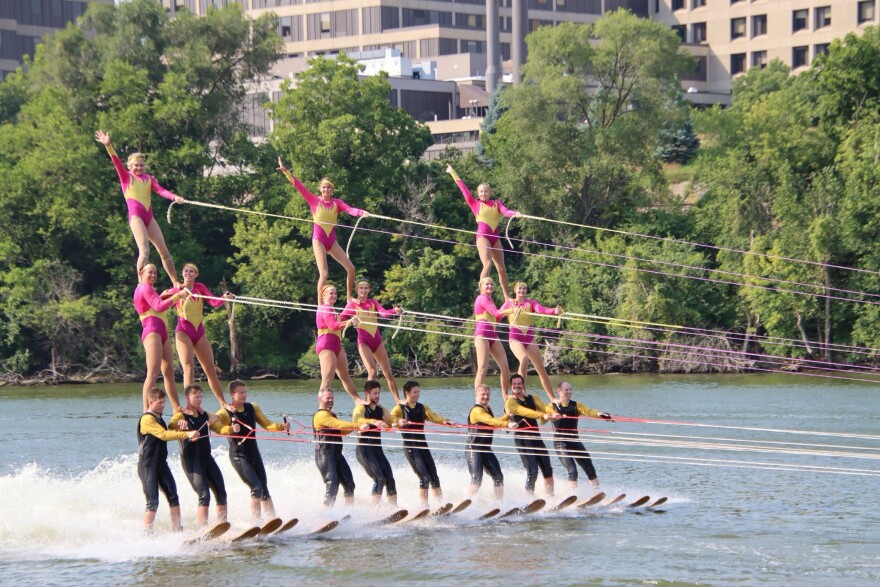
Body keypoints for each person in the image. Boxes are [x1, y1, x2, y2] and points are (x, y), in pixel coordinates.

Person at [95, 130, 183, 286]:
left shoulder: (149, 179)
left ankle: (175, 281)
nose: (139, 168)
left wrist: (175, 197)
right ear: (130, 165)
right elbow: (116, 161)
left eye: (142, 165)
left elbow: (161, 190)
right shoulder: (126, 177)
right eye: (136, 165)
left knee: (164, 251)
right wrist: (108, 145)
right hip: (136, 217)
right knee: (145, 251)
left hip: (149, 217)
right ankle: (141, 284)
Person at [277, 157, 370, 301]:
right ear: (320, 189)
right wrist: (286, 172)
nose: (326, 189)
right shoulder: (314, 200)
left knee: (351, 268)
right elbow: (299, 186)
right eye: (324, 187)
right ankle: (321, 305)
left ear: (332, 190)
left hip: (331, 241)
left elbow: (349, 209)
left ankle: (349, 297)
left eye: (329, 187)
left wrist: (361, 212)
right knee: (324, 274)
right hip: (319, 240)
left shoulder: (337, 203)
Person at [215, 380, 289, 521]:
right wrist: (228, 429)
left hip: (254, 453)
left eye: (245, 392)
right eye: (240, 392)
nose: (244, 395)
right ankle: (255, 523)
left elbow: (267, 425)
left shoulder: (252, 407)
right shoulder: (225, 412)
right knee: (256, 487)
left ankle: (272, 521)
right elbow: (213, 422)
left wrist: (282, 427)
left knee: (264, 489)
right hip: (238, 456)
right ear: (232, 394)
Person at [446, 164, 521, 301]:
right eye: (481, 192)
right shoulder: (474, 203)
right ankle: (483, 295)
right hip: (483, 237)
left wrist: (514, 214)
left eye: (486, 191)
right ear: (478, 193)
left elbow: (505, 212)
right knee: (487, 264)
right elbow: (463, 189)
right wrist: (453, 172)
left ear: (489, 192)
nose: (483, 194)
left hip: (495, 238)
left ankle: (506, 297)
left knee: (502, 268)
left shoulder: (496, 203)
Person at [168, 263, 233, 409]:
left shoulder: (200, 287)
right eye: (186, 271)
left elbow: (214, 302)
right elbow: (161, 302)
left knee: (210, 368)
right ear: (182, 273)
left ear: (196, 274)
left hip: (199, 332)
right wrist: (170, 293)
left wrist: (225, 297)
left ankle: (223, 403)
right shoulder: (177, 290)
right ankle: (189, 405)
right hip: (183, 332)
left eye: (191, 271)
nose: (188, 274)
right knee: (189, 367)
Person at [137, 386, 199, 533]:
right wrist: (187, 434)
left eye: (164, 402)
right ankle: (147, 535)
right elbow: (164, 435)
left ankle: (178, 531)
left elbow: (170, 428)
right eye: (159, 403)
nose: (163, 405)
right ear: (151, 402)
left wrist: (181, 425)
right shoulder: (147, 419)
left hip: (161, 465)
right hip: (147, 467)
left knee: (173, 497)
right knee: (153, 502)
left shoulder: (159, 418)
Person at [169, 384, 228, 528]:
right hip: (191, 461)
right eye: (196, 396)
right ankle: (203, 530)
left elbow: (220, 429)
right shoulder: (180, 415)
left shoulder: (204, 414)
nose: (199, 399)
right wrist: (179, 424)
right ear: (188, 397)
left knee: (221, 493)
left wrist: (231, 428)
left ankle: (222, 526)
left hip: (207, 459)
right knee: (204, 495)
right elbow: (170, 426)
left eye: (201, 396)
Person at [314, 388, 384, 507]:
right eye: (328, 398)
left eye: (332, 398)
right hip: (325, 456)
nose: (330, 400)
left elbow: (340, 432)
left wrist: (355, 429)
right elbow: (338, 424)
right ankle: (325, 515)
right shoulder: (321, 415)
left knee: (349, 484)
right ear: (320, 399)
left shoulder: (331, 415)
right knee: (332, 485)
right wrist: (358, 425)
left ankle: (348, 513)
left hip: (337, 456)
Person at [134, 263, 189, 413]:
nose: (153, 275)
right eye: (150, 272)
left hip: (162, 332)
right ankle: (146, 411)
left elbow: (158, 302)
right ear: (141, 273)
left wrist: (171, 292)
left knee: (169, 370)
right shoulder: (144, 288)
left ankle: (177, 407)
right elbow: (158, 307)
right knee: (152, 373)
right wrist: (178, 295)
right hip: (152, 331)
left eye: (155, 273)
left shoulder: (151, 290)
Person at [389, 380, 453, 506]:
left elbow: (433, 416)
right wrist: (398, 421)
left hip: (423, 446)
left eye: (418, 392)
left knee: (434, 476)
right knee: (424, 477)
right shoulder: (399, 409)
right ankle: (424, 507)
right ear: (407, 393)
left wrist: (445, 421)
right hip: (411, 448)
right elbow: (390, 419)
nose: (417, 394)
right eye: (414, 392)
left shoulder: (422, 407)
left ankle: (441, 505)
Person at [340, 278, 403, 403]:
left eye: (366, 288)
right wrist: (349, 321)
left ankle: (398, 400)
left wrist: (395, 311)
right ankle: (368, 401)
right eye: (361, 288)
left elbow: (384, 313)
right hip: (363, 341)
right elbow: (340, 318)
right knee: (372, 371)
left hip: (377, 340)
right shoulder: (352, 305)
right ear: (357, 290)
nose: (363, 290)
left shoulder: (373, 302)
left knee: (388, 372)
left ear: (369, 289)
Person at [499, 282, 562, 402]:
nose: (522, 291)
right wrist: (508, 310)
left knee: (541, 369)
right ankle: (520, 392)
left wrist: (554, 311)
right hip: (515, 337)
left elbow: (541, 309)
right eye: (520, 288)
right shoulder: (509, 303)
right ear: (515, 290)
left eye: (524, 289)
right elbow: (497, 315)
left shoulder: (530, 303)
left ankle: (552, 398)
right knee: (524, 359)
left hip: (529, 337)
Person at [546, 381, 611, 490]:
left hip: (575, 441)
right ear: (559, 391)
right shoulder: (551, 406)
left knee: (589, 467)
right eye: (566, 390)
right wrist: (553, 415)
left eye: (570, 389)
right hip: (561, 444)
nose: (569, 392)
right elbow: (546, 412)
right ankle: (572, 497)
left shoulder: (576, 405)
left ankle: (597, 494)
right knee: (573, 471)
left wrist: (600, 414)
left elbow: (588, 411)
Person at [505, 373, 559, 497]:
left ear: (523, 385)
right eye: (514, 384)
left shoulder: (533, 398)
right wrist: (541, 415)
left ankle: (550, 497)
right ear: (511, 387)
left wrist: (553, 413)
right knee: (532, 471)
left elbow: (545, 407)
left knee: (547, 469)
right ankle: (529, 499)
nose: (517, 386)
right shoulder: (510, 402)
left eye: (519, 384)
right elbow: (525, 412)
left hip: (536, 437)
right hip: (523, 439)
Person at [315, 283, 364, 404]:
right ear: (323, 295)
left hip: (336, 346)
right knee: (327, 380)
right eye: (331, 293)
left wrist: (350, 306)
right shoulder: (325, 308)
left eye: (335, 293)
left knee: (345, 375)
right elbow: (332, 325)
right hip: (326, 346)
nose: (334, 295)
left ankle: (357, 400)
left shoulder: (332, 310)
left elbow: (339, 320)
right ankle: (322, 408)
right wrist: (350, 322)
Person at [466, 384, 517, 500]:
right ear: (476, 395)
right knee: (477, 479)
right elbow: (490, 421)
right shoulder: (477, 411)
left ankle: (498, 504)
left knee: (498, 476)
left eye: (487, 394)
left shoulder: (487, 409)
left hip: (486, 450)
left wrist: (506, 417)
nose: (485, 397)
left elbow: (493, 421)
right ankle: (466, 502)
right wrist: (507, 424)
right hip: (474, 449)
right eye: (482, 394)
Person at [352, 380, 398, 506]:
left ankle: (394, 510)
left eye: (378, 393)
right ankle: (375, 511)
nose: (377, 396)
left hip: (377, 451)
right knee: (380, 478)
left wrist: (399, 422)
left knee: (390, 479)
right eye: (374, 393)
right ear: (367, 394)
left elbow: (390, 419)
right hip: (364, 451)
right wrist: (374, 421)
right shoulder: (360, 408)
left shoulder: (380, 409)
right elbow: (357, 419)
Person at [473, 277, 514, 401]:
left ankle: (505, 395)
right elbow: (496, 313)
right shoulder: (482, 298)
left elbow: (496, 318)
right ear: (481, 286)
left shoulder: (490, 300)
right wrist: (511, 309)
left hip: (493, 335)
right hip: (482, 335)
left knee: (505, 367)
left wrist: (508, 304)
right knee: (483, 368)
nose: (490, 286)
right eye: (487, 284)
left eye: (491, 284)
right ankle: (478, 400)